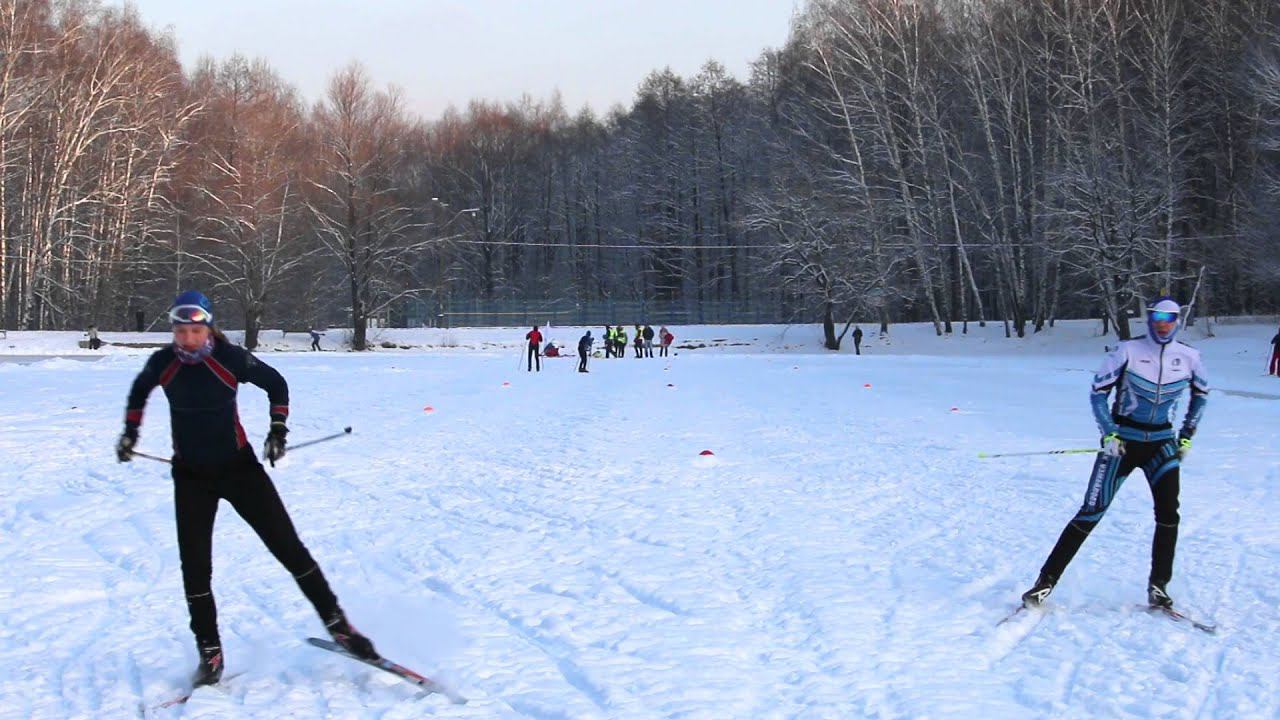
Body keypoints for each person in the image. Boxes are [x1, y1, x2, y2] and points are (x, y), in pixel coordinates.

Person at [116, 291, 378, 688]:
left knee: (289, 549)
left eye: (195, 330)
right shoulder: (163, 363)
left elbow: (277, 384)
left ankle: (341, 629)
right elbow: (138, 393)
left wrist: (277, 430)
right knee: (196, 569)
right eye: (181, 331)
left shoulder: (230, 358)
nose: (187, 338)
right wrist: (130, 433)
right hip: (190, 478)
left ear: (208, 328)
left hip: (240, 471)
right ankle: (210, 653)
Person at [1021, 297, 1208, 611]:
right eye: (1157, 316)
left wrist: (1186, 437)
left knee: (1168, 514)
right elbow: (1098, 395)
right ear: (1149, 319)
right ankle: (1045, 583)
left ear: (1177, 321)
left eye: (1170, 318)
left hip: (1162, 443)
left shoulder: (1189, 356)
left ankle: (1159, 586)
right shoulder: (1128, 351)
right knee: (1091, 511)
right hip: (1122, 442)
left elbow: (1201, 397)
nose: (1163, 322)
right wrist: (1108, 432)